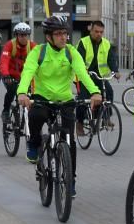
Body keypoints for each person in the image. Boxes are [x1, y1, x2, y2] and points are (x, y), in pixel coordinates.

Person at [17, 15, 101, 197]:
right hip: (42, 98)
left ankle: (70, 181)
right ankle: (34, 143)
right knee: (35, 116)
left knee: (69, 142)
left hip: (65, 100)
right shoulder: (38, 52)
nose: (64, 37)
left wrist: (95, 92)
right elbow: (27, 72)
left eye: (65, 33)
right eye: (58, 34)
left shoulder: (71, 52)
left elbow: (83, 73)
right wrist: (22, 92)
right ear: (49, 37)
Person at [75, 20, 120, 135]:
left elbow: (111, 59)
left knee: (108, 92)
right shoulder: (83, 42)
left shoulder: (106, 43)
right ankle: (79, 123)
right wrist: (84, 73)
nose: (99, 34)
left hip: (100, 76)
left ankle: (106, 118)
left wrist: (115, 71)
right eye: (96, 31)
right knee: (83, 99)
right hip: (84, 76)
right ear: (91, 30)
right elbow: (78, 61)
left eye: (101, 32)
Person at [0, 22, 35, 123]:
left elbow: (41, 62)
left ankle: (28, 118)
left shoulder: (32, 46)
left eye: (26, 35)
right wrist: (5, 75)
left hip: (25, 77)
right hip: (10, 75)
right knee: (12, 89)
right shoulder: (10, 45)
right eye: (21, 35)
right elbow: (4, 61)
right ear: (16, 35)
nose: (24, 38)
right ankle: (5, 111)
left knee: (33, 96)